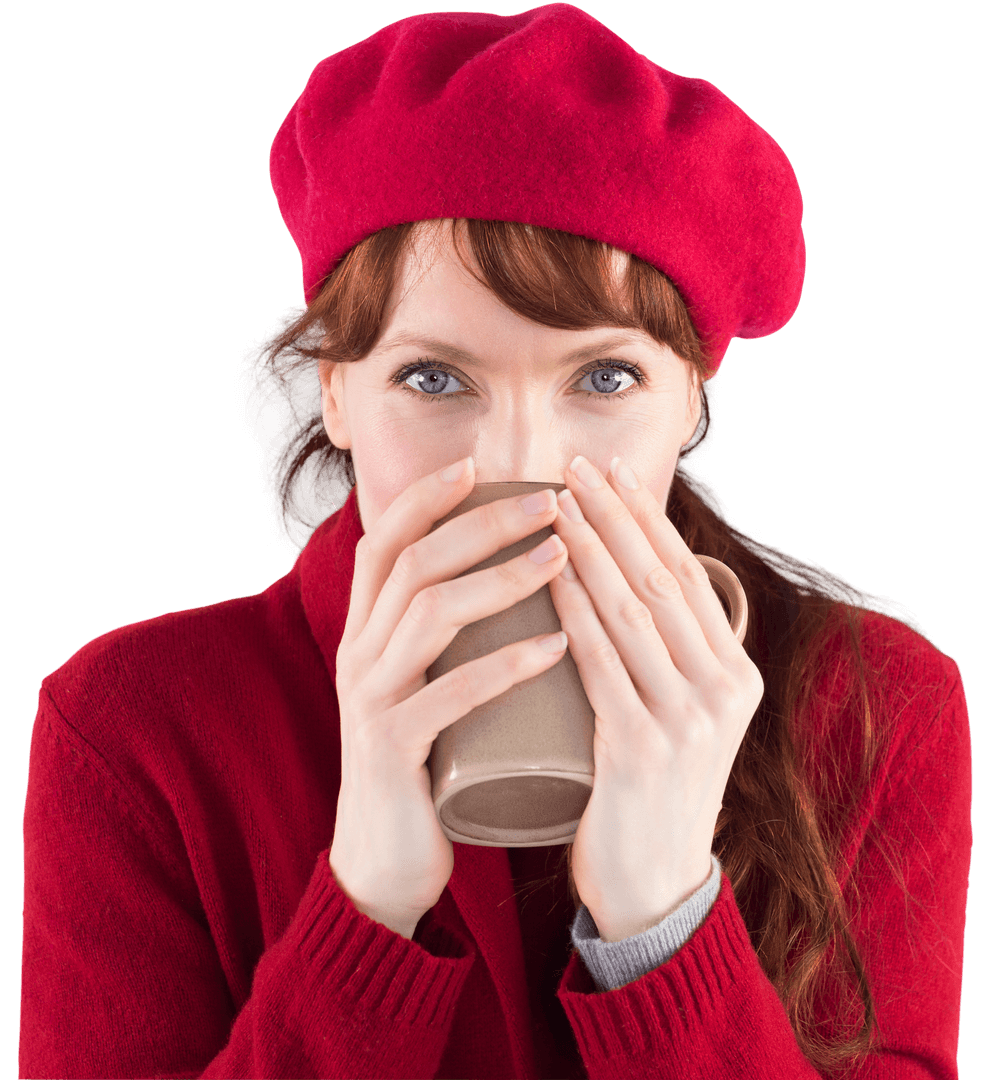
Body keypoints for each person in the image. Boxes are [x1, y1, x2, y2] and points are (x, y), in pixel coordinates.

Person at [19, 6, 971, 1079]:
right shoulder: (135, 728)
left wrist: (660, 922)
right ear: (336, 391)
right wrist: (365, 908)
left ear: (690, 403)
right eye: (434, 380)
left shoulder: (873, 709)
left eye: (604, 380)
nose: (526, 462)